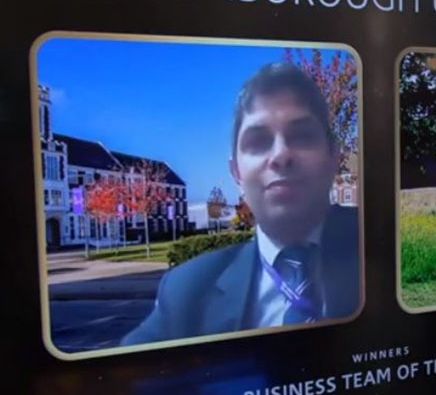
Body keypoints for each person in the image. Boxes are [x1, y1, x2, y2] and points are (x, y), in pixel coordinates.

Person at [123, 62, 361, 345]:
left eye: (301, 135)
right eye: (258, 141)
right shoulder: (186, 291)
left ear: (333, 158)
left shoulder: (388, 245)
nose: (281, 155)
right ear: (236, 172)